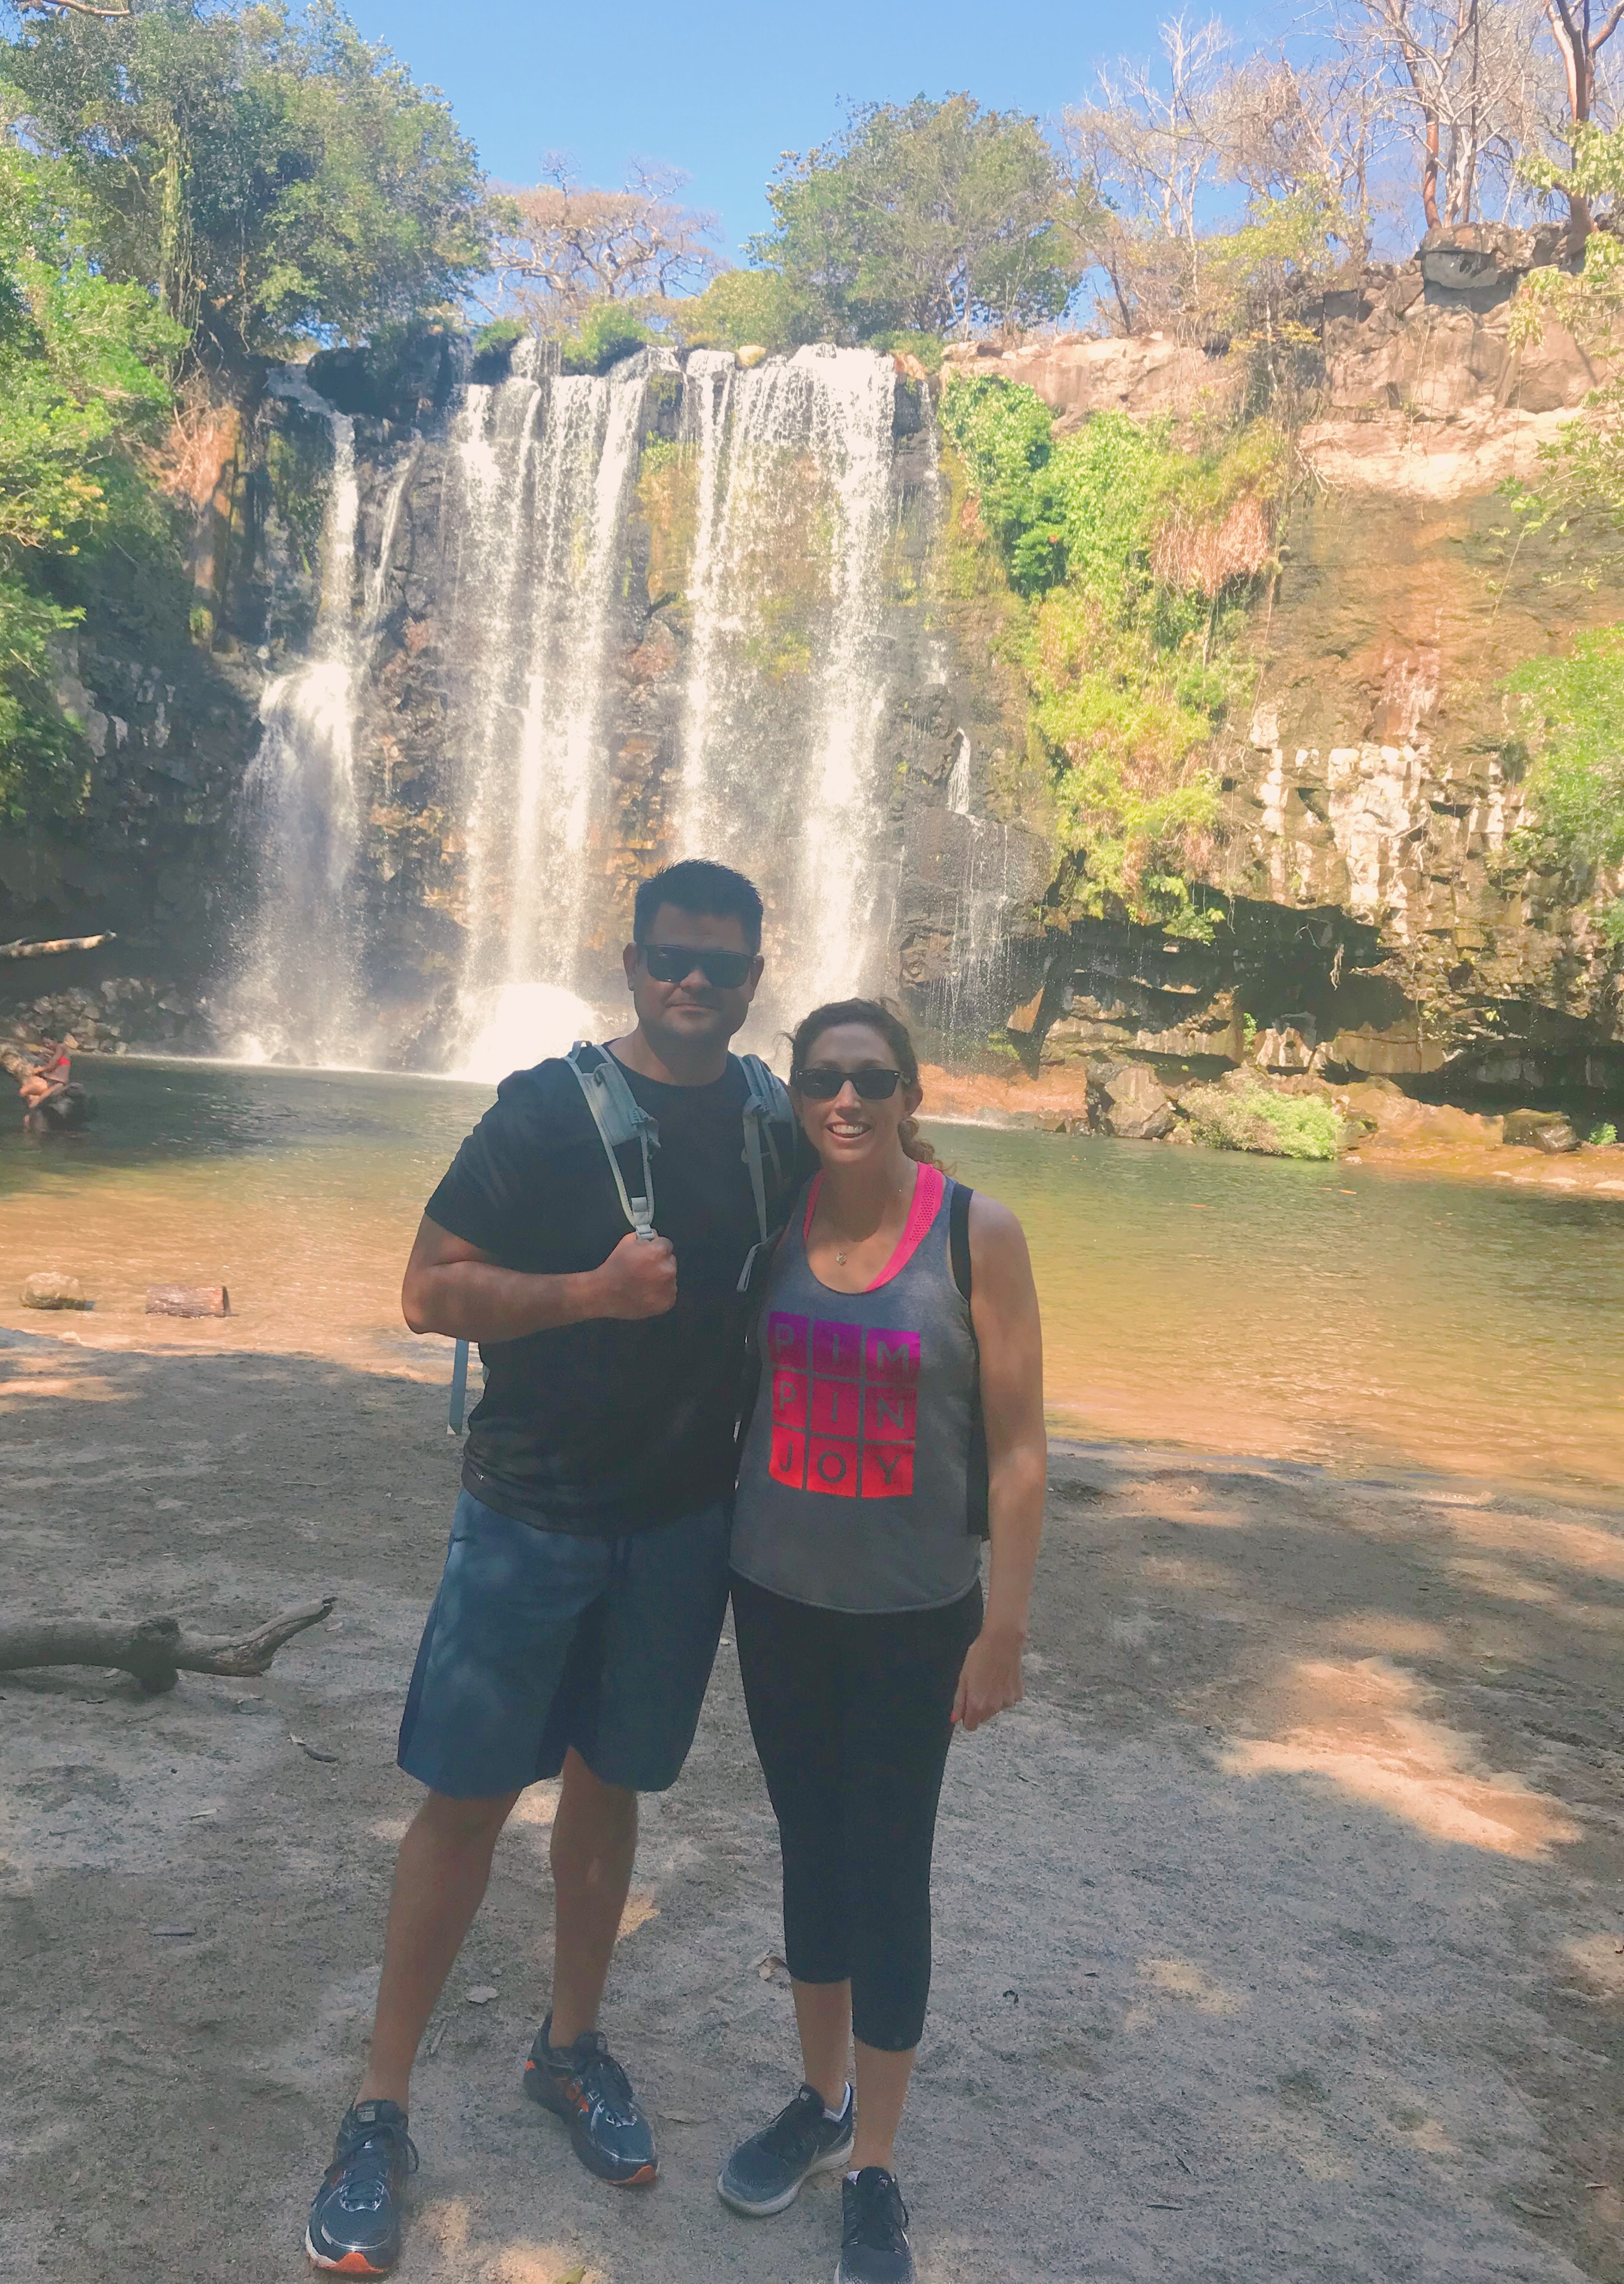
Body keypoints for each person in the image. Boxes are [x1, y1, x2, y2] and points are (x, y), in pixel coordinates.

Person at [306, 858, 806, 2277]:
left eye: (719, 963)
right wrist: (588, 1292)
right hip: (529, 1514)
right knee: (464, 1804)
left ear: (755, 976)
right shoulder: (541, 1108)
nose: (692, 982)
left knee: (613, 1787)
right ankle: (379, 2108)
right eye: (669, 956)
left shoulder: (773, 1122)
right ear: (632, 959)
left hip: (682, 1526)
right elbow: (426, 1290)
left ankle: (569, 2046)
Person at [718, 998, 1048, 2284]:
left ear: (912, 1095)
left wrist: (1004, 1627)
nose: (843, 1102)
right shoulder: (777, 1223)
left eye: (870, 1080)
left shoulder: (977, 1231)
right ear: (797, 1101)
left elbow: (1019, 1450)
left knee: (888, 1863)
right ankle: (820, 2097)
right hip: (776, 1598)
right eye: (821, 1083)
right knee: (808, 1844)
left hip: (917, 1615)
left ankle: (877, 2166)